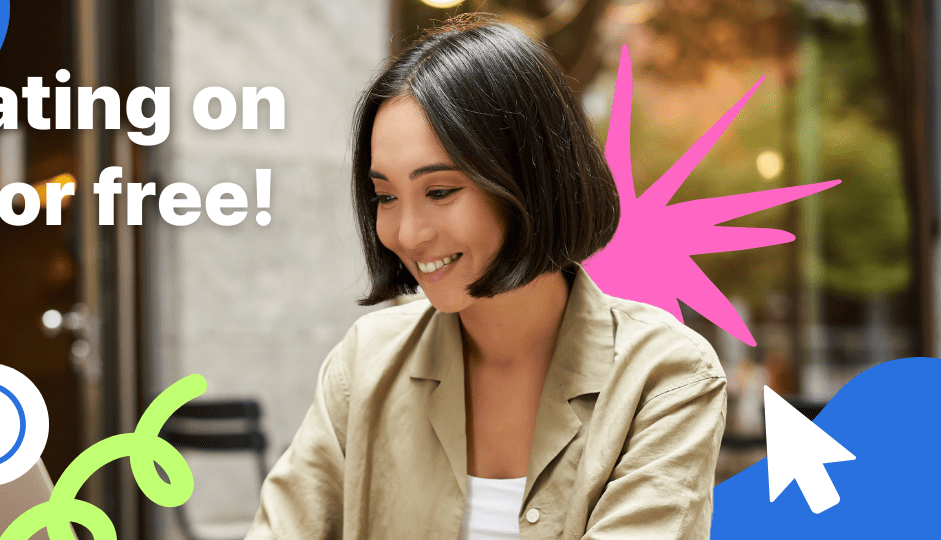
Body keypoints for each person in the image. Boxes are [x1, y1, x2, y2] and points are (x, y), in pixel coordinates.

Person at [245, 14, 726, 540]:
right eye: (385, 196)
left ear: (529, 179)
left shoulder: (665, 377)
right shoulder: (365, 366)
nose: (406, 233)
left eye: (440, 191)